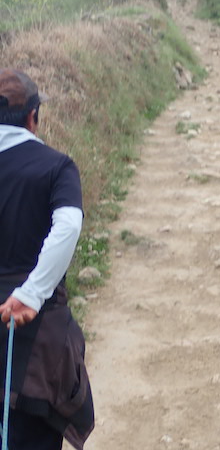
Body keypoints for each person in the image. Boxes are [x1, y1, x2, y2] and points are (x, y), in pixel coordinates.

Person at [0, 69, 94, 449]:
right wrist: (33, 293)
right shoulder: (56, 166)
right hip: (33, 346)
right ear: (33, 117)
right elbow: (68, 224)